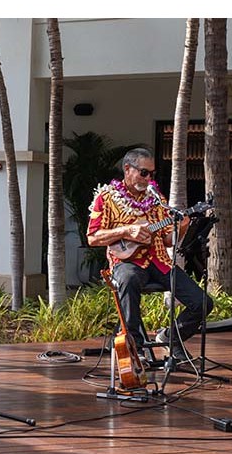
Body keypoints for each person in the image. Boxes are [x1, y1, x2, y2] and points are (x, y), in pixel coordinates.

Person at [87, 147, 214, 364]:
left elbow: (168, 241)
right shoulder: (107, 197)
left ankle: (172, 338)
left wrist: (183, 226)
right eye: (144, 173)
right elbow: (93, 237)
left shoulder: (156, 198)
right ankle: (135, 347)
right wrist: (126, 231)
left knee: (202, 303)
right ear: (128, 169)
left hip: (159, 261)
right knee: (128, 280)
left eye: (151, 174)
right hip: (127, 262)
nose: (148, 178)